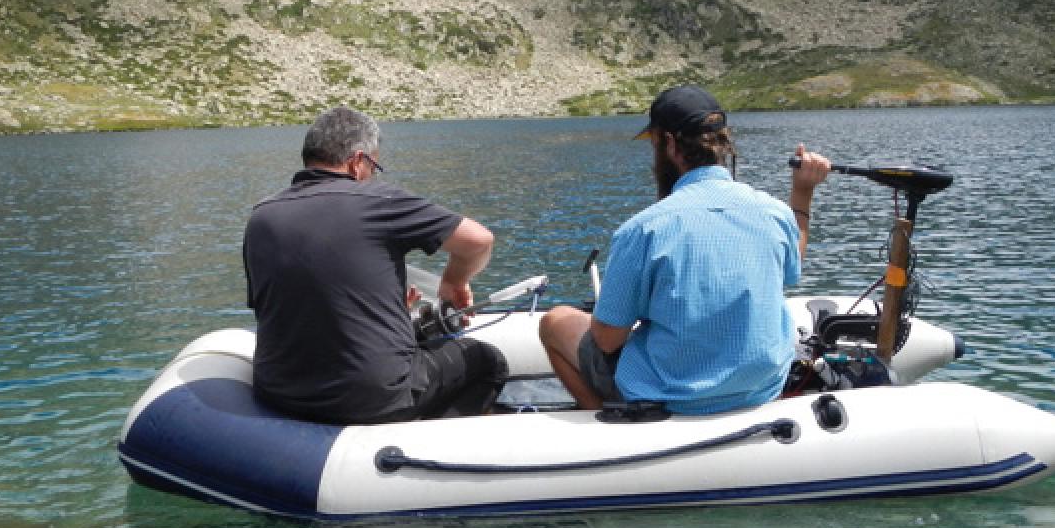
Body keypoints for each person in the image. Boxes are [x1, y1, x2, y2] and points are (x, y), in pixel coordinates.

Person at [538, 85, 831, 413]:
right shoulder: (775, 212)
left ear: (670, 144)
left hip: (673, 396)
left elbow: (607, 340)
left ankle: (605, 421)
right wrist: (802, 193)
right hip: (759, 389)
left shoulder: (643, 229)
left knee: (555, 321)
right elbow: (793, 261)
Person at [243, 106, 508, 424]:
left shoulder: (260, 218)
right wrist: (454, 282)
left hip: (280, 394)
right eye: (374, 166)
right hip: (370, 398)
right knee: (486, 360)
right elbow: (479, 241)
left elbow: (297, 305)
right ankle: (432, 447)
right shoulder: (379, 201)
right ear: (358, 162)